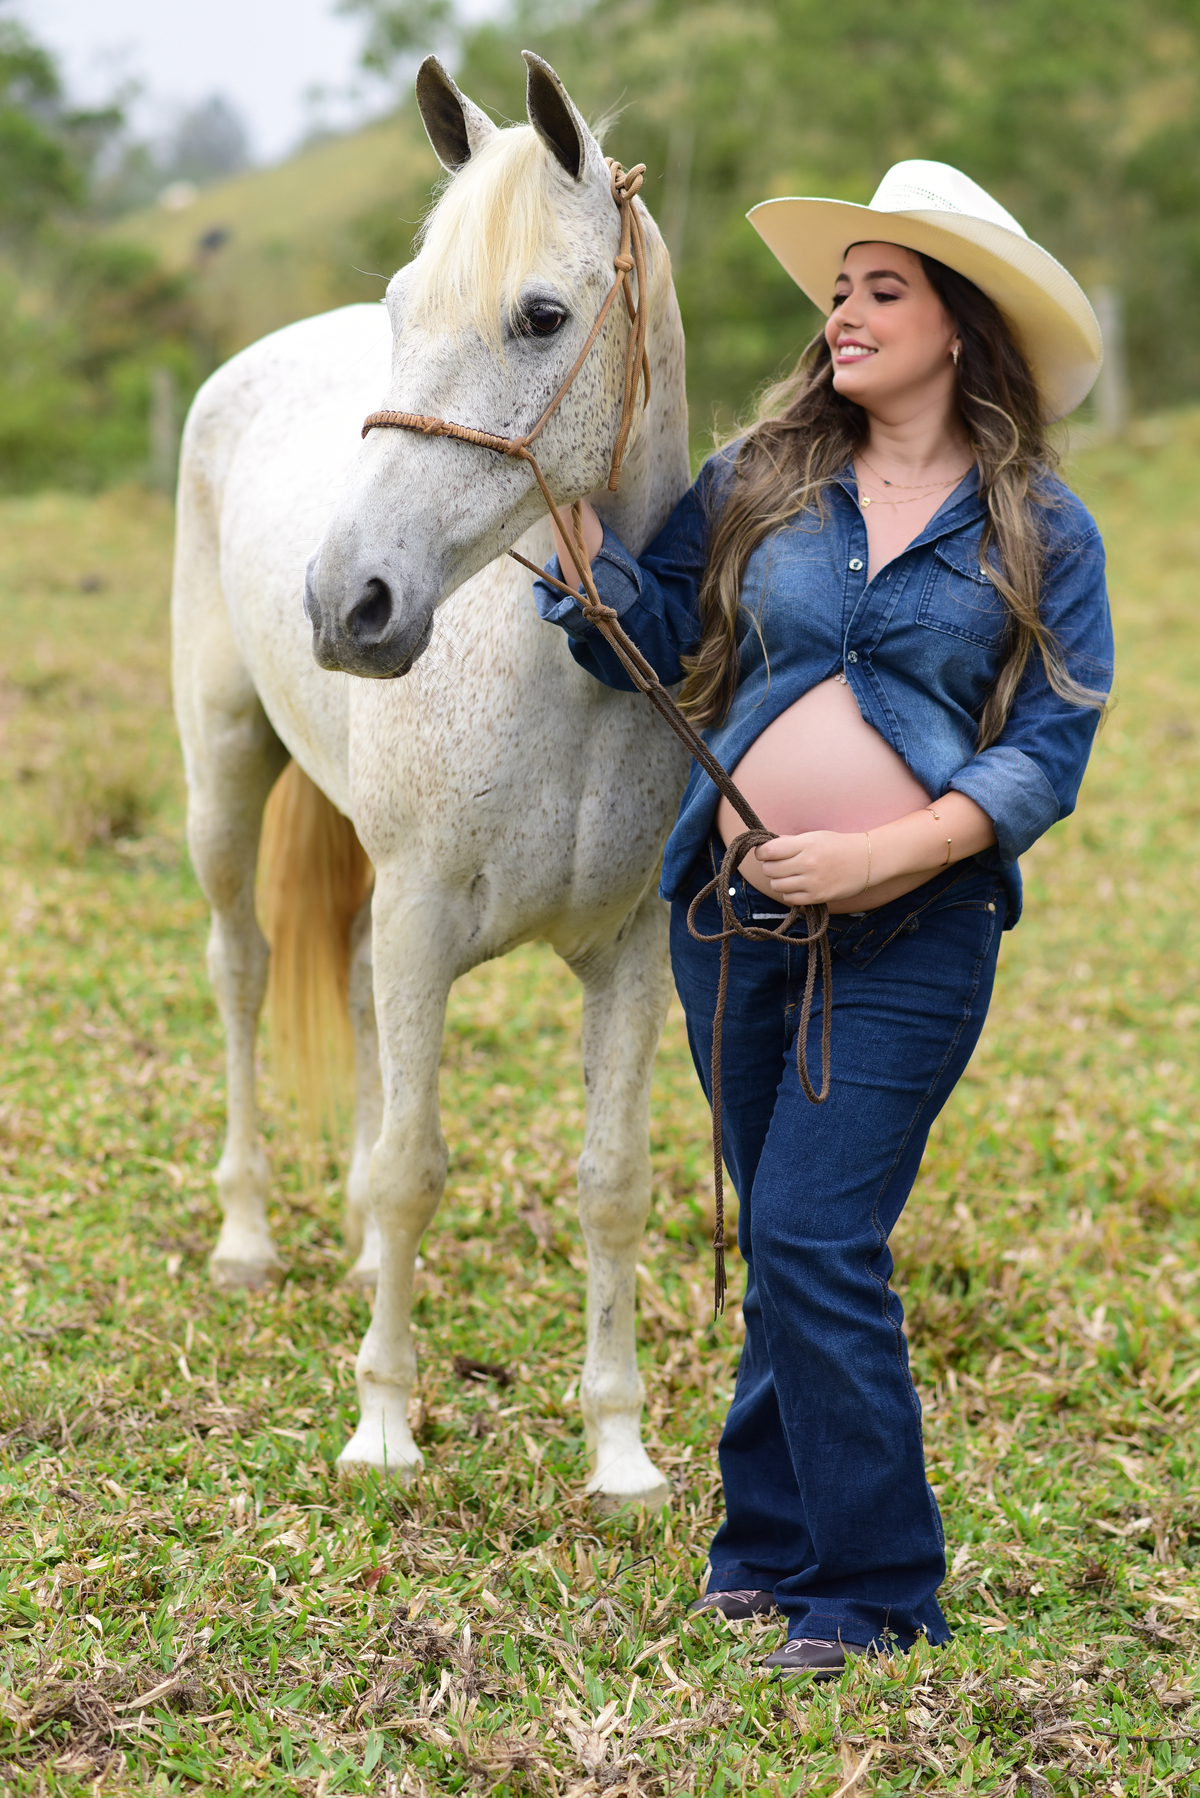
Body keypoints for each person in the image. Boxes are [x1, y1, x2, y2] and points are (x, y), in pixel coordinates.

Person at [534, 161, 1113, 1677]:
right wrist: (595, 576)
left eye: (883, 289)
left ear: (959, 328)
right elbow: (656, 648)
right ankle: (768, 1549)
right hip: (726, 921)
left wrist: (890, 855)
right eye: (840, 290)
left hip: (916, 935)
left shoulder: (1043, 530)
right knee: (793, 1244)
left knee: (809, 1231)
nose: (844, 314)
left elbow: (1046, 747)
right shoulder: (761, 478)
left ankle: (875, 1586)